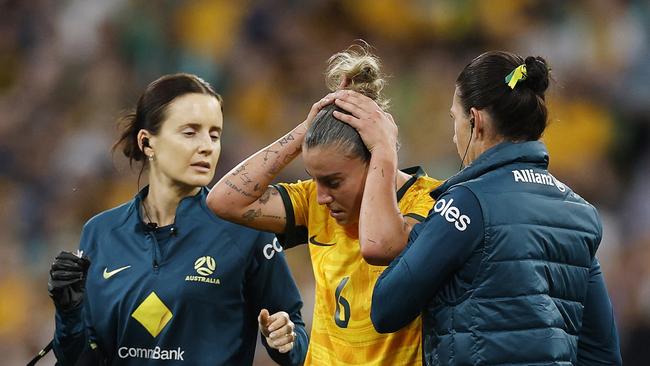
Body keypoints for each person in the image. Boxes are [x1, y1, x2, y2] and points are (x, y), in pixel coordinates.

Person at [345, 51, 622, 365]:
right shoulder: (581, 214)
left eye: (455, 119)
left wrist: (424, 232)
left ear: (476, 121)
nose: (454, 135)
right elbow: (603, 354)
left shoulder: (467, 203)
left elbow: (386, 307)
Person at [47, 73, 308, 366]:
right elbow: (81, 358)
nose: (207, 146)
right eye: (190, 132)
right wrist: (69, 314)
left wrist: (286, 339)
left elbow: (296, 334)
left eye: (214, 134)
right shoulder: (100, 232)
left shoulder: (246, 229)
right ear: (147, 143)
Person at [207, 44, 441, 365]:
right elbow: (224, 200)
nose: (320, 196)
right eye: (314, 179)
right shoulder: (315, 204)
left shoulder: (433, 203)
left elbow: (380, 245)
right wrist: (307, 130)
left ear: (372, 159)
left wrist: (386, 148)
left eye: (333, 181)